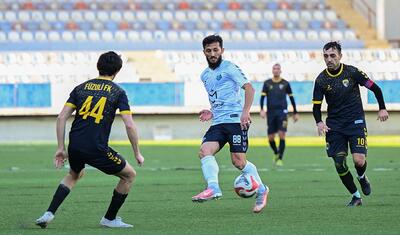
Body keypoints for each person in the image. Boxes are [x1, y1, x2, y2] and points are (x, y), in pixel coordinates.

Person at [35, 51, 144, 228]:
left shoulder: (81, 88)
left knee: (74, 174)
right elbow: (129, 124)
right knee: (129, 175)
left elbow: (61, 117)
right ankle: (109, 219)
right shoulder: (118, 92)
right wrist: (137, 153)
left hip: (75, 145)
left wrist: (60, 148)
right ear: (117, 70)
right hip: (96, 147)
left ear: (98, 67)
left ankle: (48, 213)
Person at [191, 34, 269, 213]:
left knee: (239, 162)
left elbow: (249, 88)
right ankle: (213, 188)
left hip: (235, 120)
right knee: (204, 151)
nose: (212, 53)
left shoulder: (230, 68)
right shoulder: (204, 75)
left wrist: (245, 112)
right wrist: (211, 111)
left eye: (216, 50)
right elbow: (219, 97)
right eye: (209, 50)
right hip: (218, 121)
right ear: (204, 52)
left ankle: (262, 190)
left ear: (222, 50)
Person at [312, 42, 389, 207]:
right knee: (339, 162)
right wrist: (319, 122)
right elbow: (316, 106)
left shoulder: (353, 72)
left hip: (356, 123)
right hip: (334, 126)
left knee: (359, 161)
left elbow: (376, 89)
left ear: (340, 55)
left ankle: (362, 177)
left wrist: (382, 108)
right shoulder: (321, 80)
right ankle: (356, 196)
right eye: (326, 56)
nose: (329, 59)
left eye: (332, 55)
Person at [260, 63, 299, 166]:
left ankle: (280, 158)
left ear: (280, 71)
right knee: (270, 137)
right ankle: (276, 152)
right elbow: (262, 98)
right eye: (274, 69)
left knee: (282, 134)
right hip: (271, 113)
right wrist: (262, 110)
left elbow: (291, 98)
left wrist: (295, 112)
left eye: (278, 69)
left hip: (283, 113)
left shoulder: (285, 83)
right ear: (272, 71)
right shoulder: (267, 83)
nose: (276, 70)